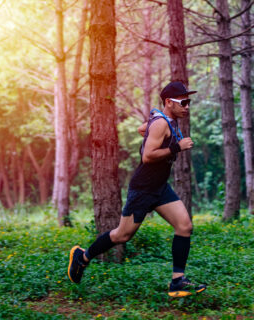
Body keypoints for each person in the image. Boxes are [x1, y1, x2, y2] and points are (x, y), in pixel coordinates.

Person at [67, 81, 206, 297]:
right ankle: (82, 257)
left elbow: (143, 129)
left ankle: (177, 282)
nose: (187, 106)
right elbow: (147, 156)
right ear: (169, 102)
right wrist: (176, 147)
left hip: (159, 187)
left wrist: (153, 129)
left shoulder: (166, 121)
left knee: (185, 226)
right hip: (143, 189)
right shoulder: (161, 124)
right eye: (184, 102)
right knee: (122, 235)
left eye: (189, 102)